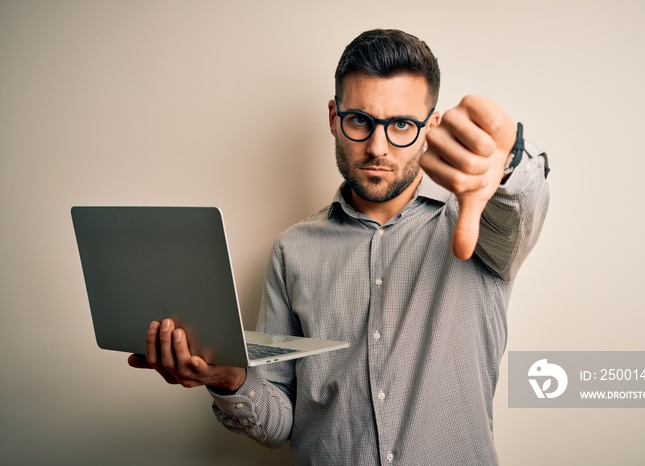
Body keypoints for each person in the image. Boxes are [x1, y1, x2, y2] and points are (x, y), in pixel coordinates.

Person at [128, 28, 550, 465]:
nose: (377, 147)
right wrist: (230, 379)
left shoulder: (479, 224)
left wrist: (508, 164)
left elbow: (522, 203)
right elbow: (281, 422)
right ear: (334, 117)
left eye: (401, 124)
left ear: (431, 127)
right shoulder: (293, 251)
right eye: (359, 121)